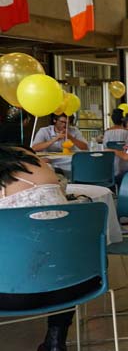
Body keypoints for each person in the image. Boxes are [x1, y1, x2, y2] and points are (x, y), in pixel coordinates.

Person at [0, 145, 99, 351]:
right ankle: (55, 340)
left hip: (11, 295)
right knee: (61, 257)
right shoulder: (40, 165)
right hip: (76, 283)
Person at [103, 108, 128, 176]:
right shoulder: (127, 133)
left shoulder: (107, 133)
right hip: (125, 165)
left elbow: (105, 147)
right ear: (123, 120)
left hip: (111, 164)